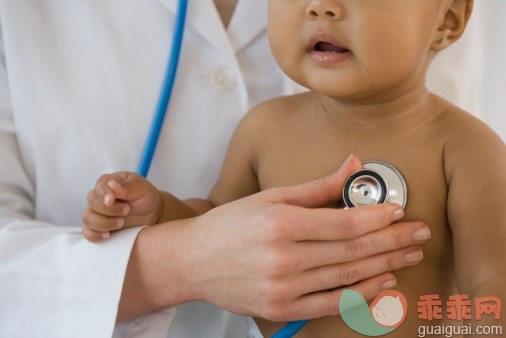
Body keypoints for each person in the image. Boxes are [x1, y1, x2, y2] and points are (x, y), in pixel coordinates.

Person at [0, 1, 500, 338]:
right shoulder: (263, 129)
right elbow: (213, 217)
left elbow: (493, 290)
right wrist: (156, 214)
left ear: (448, 20)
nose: (320, 6)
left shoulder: (466, 147)